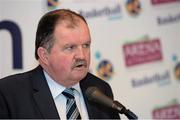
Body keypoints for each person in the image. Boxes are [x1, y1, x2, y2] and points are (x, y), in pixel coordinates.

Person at [0, 9, 120, 119]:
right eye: (70, 47)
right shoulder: (8, 95)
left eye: (86, 45)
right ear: (44, 55)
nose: (82, 56)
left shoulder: (100, 90)